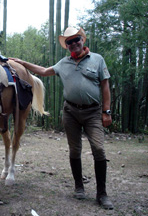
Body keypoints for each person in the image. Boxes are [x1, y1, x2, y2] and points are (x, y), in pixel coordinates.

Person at [10, 27, 114, 210]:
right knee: (74, 150)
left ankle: (102, 194)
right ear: (66, 46)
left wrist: (107, 112)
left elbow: (105, 86)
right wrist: (22, 63)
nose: (73, 44)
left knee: (98, 148)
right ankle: (79, 187)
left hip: (93, 112)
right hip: (70, 112)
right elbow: (43, 71)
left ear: (82, 40)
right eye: (69, 42)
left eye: (76, 40)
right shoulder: (63, 63)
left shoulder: (97, 60)